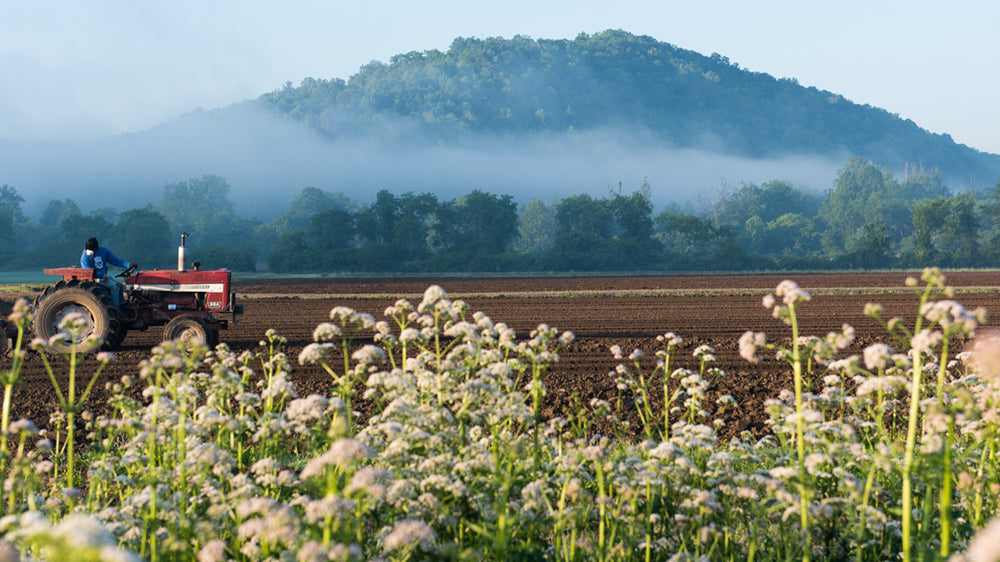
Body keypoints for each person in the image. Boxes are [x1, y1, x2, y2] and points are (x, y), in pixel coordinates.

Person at [81, 237, 134, 307]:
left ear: (96, 249)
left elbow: (115, 260)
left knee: (121, 286)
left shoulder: (103, 251)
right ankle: (116, 310)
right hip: (95, 279)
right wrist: (101, 276)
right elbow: (88, 272)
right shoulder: (85, 257)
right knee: (115, 286)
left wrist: (128, 264)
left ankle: (123, 306)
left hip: (104, 277)